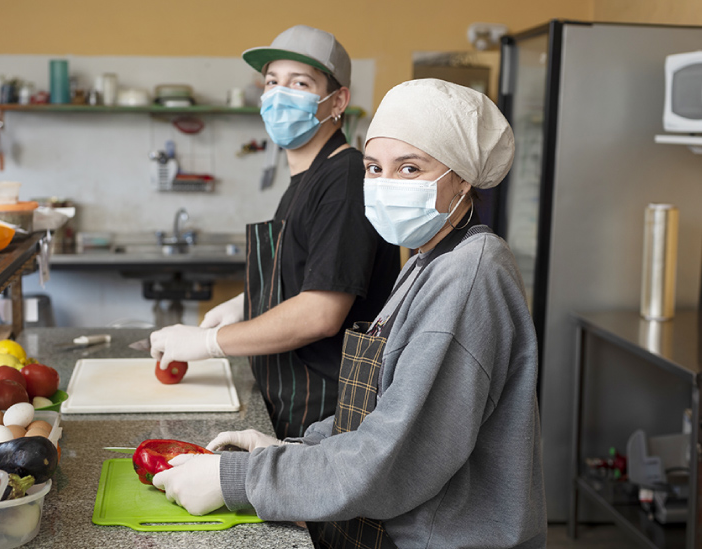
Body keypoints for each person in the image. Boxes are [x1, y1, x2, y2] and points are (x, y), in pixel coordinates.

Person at [151, 79, 547, 549]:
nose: (384, 185)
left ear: (462, 178)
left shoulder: (469, 276)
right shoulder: (429, 258)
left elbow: (392, 460)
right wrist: (291, 451)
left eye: (410, 168)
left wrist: (241, 480)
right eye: (374, 167)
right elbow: (379, 410)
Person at [150, 25, 400, 438]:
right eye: (272, 82)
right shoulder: (307, 177)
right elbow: (308, 270)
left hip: (328, 413)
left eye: (300, 83)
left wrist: (213, 343)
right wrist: (247, 301)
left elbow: (321, 313)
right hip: (292, 402)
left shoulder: (344, 177)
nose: (280, 94)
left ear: (337, 101)